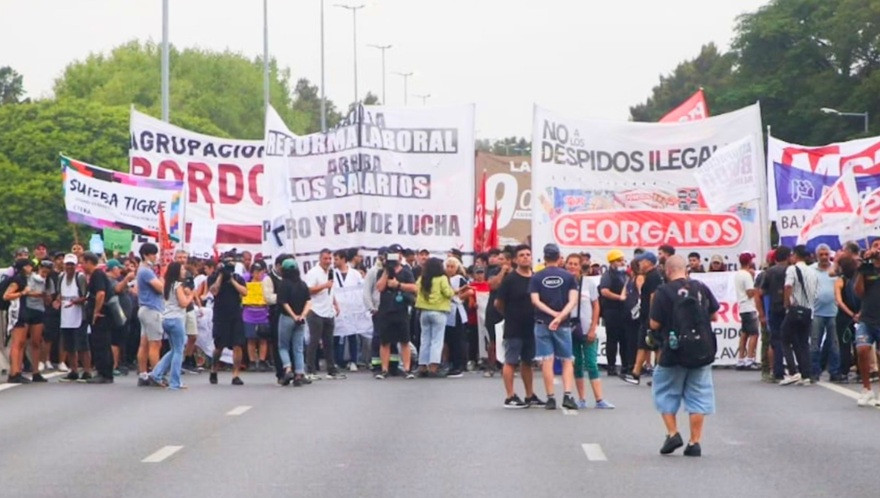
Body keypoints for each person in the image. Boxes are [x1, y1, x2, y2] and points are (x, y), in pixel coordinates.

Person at [649, 255, 719, 457]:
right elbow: (714, 315)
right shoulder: (700, 287)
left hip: (674, 350)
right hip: (701, 350)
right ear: (686, 269)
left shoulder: (663, 291)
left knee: (665, 391)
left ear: (667, 271)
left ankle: (673, 433)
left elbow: (654, 323)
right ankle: (694, 442)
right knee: (699, 394)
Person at [530, 243, 579, 410]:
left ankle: (550, 397)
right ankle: (567, 395)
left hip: (542, 322)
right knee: (567, 360)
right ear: (559, 257)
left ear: (544, 258)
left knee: (547, 360)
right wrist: (559, 317)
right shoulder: (569, 277)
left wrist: (552, 314)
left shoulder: (537, 277)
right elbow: (573, 301)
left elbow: (535, 301)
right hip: (563, 324)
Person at [495, 244, 541, 408]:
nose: (525, 257)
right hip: (514, 327)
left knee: (527, 362)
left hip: (531, 327)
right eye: (521, 255)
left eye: (528, 254)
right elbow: (498, 303)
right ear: (515, 260)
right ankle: (510, 396)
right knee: (511, 361)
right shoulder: (510, 280)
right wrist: (509, 315)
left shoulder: (536, 278)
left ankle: (530, 395)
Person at [565, 253, 613, 409]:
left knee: (591, 363)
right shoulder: (563, 283)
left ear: (580, 266)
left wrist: (593, 327)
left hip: (586, 328)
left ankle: (599, 399)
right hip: (569, 329)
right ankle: (581, 399)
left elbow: (596, 306)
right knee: (577, 364)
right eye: (570, 263)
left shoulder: (589, 283)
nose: (572, 266)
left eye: (575, 264)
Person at [147, 262, 193, 390]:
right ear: (177, 271)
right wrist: (190, 296)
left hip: (166, 318)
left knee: (174, 349)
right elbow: (183, 303)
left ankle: (156, 373)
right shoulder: (177, 285)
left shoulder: (167, 285)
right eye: (182, 269)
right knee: (179, 351)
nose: (184, 271)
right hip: (176, 319)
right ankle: (175, 382)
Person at [375, 244, 417, 379]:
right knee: (385, 341)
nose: (397, 256)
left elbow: (414, 288)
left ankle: (407, 369)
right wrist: (387, 270)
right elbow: (380, 288)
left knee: (404, 340)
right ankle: (384, 369)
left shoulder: (406, 271)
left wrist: (398, 285)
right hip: (386, 309)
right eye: (394, 254)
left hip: (401, 309)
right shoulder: (382, 271)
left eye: (399, 254)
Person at [304, 249, 345, 380]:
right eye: (325, 259)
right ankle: (310, 370)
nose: (328, 261)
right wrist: (324, 286)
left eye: (329, 259)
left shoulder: (330, 272)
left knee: (329, 342)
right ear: (320, 259)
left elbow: (331, 291)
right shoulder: (313, 272)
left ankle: (331, 370)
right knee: (314, 341)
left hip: (328, 311)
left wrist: (335, 304)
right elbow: (308, 290)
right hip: (315, 310)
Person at [623, 251, 663, 385]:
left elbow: (653, 296)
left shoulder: (653, 277)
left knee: (654, 345)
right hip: (646, 315)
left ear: (648, 262)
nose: (639, 263)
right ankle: (636, 372)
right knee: (644, 344)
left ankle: (658, 376)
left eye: (641, 261)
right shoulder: (650, 275)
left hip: (650, 316)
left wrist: (652, 315)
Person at [780, 245, 818, 386]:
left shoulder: (792, 269)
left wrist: (786, 303)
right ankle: (806, 374)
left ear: (795, 255)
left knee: (784, 337)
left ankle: (792, 371)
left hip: (796, 308)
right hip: (808, 310)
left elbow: (788, 286)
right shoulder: (812, 271)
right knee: (803, 342)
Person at [208, 254, 248, 385]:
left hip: (235, 314)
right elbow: (214, 291)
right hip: (220, 315)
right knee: (219, 346)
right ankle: (214, 369)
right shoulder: (213, 277)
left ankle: (235, 374)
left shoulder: (237, 278)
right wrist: (220, 275)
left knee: (238, 344)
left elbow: (244, 292)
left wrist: (231, 279)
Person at [415, 257, 454, 377]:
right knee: (437, 340)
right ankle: (433, 367)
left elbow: (416, 291)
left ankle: (422, 366)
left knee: (424, 340)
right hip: (439, 311)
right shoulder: (442, 278)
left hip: (424, 312)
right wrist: (453, 291)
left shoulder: (422, 279)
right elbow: (448, 293)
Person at [277, 258, 312, 386]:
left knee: (283, 346)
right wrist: (302, 316)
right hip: (301, 319)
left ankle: (288, 368)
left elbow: (283, 302)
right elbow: (309, 302)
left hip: (287, 318)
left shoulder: (283, 284)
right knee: (298, 347)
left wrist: (293, 315)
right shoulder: (302, 284)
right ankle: (299, 374)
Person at [810, 244, 842, 383]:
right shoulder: (811, 270)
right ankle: (814, 372)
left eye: (826, 254)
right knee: (815, 343)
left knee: (834, 344)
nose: (824, 257)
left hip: (834, 311)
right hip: (816, 312)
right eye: (821, 254)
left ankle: (834, 372)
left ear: (830, 255)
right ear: (816, 256)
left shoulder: (836, 269)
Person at [80, 251, 114, 384]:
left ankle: (103, 372)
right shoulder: (97, 275)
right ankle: (106, 372)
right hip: (102, 314)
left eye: (83, 263)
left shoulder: (97, 274)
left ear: (89, 262)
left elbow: (101, 294)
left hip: (102, 315)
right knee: (103, 343)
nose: (82, 266)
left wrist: (96, 311)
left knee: (101, 344)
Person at [854, 240, 880, 406]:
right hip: (867, 318)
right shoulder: (866, 268)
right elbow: (859, 292)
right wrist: (862, 267)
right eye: (875, 245)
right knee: (862, 350)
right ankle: (866, 389)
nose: (878, 248)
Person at [56, 254, 89, 382]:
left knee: (82, 345)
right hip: (65, 315)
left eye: (72, 264)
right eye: (67, 264)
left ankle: (87, 371)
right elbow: (59, 294)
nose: (69, 267)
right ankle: (73, 370)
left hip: (79, 315)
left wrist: (76, 301)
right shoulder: (61, 277)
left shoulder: (79, 277)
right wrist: (57, 301)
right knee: (69, 345)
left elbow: (86, 296)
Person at [135, 243, 165, 386]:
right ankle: (156, 375)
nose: (155, 257)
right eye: (153, 254)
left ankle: (143, 374)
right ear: (146, 255)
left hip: (144, 308)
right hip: (152, 309)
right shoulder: (146, 271)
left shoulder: (143, 270)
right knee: (155, 344)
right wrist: (162, 278)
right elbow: (161, 288)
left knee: (144, 344)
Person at [3, 259, 35, 383]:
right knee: (16, 344)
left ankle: (18, 370)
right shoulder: (17, 279)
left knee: (22, 343)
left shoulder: (24, 279)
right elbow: (6, 295)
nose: (31, 268)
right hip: (16, 313)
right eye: (29, 266)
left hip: (23, 310)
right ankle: (14, 372)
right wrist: (22, 292)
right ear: (24, 267)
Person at [22, 260, 54, 381]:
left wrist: (47, 297)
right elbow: (26, 292)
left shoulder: (49, 282)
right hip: (27, 308)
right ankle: (18, 369)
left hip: (39, 310)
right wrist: (37, 294)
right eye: (43, 270)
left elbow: (49, 301)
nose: (45, 273)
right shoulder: (31, 277)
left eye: (47, 271)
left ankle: (36, 371)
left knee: (36, 341)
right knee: (22, 341)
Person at [332, 249, 364, 372]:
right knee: (336, 335)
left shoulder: (355, 274)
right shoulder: (332, 273)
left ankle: (353, 361)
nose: (334, 261)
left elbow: (360, 290)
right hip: (337, 307)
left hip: (351, 308)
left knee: (352, 335)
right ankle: (336, 361)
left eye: (336, 259)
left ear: (343, 259)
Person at [598, 249, 628, 376]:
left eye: (623, 260)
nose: (622, 262)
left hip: (624, 311)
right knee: (612, 339)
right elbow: (604, 291)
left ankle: (625, 366)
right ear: (612, 262)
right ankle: (611, 366)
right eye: (619, 260)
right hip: (612, 311)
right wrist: (619, 297)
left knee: (624, 339)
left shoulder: (625, 275)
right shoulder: (607, 275)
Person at [106, 259, 135, 376]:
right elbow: (117, 289)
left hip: (123, 315)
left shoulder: (116, 279)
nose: (120, 271)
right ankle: (113, 365)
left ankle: (118, 363)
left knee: (119, 341)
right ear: (113, 269)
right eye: (118, 268)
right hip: (116, 314)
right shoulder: (109, 280)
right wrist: (126, 278)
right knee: (115, 341)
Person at [444, 257, 472, 377]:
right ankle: (449, 363)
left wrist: (458, 298)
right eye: (448, 266)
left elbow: (469, 291)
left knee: (457, 339)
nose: (450, 269)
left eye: (452, 267)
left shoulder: (459, 278)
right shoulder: (444, 279)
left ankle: (458, 365)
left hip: (456, 311)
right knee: (448, 339)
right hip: (446, 311)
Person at [483, 249, 510, 377]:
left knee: (508, 338)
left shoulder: (515, 273)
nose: (498, 261)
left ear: (509, 261)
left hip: (509, 308)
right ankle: (491, 366)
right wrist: (502, 272)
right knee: (492, 339)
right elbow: (493, 285)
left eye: (501, 259)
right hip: (493, 309)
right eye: (498, 258)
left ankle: (508, 365)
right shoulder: (493, 271)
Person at [242, 261, 272, 372]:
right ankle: (252, 361)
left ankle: (262, 360)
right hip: (249, 313)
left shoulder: (266, 282)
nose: (258, 274)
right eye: (256, 272)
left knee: (263, 338)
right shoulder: (246, 281)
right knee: (251, 338)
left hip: (263, 312)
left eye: (260, 272)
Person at [835, 254, 860, 384]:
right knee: (859, 344)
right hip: (859, 316)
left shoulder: (840, 280)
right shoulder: (859, 280)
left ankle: (844, 372)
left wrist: (850, 314)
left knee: (844, 345)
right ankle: (861, 371)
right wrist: (858, 314)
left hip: (844, 318)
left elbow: (839, 301)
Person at [734, 252, 760, 370]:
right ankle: (750, 359)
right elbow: (750, 293)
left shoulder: (738, 274)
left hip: (742, 306)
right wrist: (756, 288)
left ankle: (741, 359)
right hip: (749, 306)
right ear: (749, 262)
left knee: (744, 333)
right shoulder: (747, 275)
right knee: (754, 334)